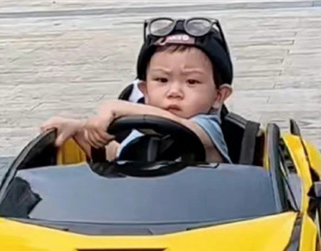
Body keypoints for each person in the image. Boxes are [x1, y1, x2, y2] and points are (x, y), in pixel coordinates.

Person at [40, 17, 234, 163]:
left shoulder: (207, 128)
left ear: (219, 96)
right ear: (145, 91)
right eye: (162, 80)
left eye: (191, 81)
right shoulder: (140, 130)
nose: (174, 91)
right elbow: (116, 155)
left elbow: (185, 129)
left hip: (201, 204)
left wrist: (118, 107)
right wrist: (79, 129)